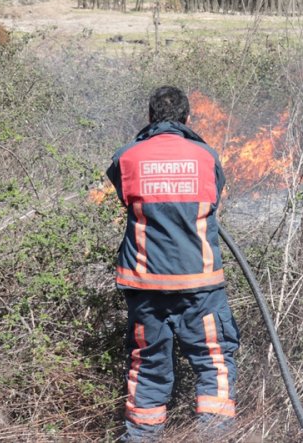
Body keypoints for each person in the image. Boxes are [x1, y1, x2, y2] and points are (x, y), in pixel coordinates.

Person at [106, 86, 239, 442]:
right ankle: (214, 437)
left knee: (147, 367)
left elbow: (124, 195)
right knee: (213, 362)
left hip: (145, 286)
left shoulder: (127, 157)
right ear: (188, 118)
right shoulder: (207, 157)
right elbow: (213, 199)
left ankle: (141, 438)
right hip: (201, 286)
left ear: (150, 118)